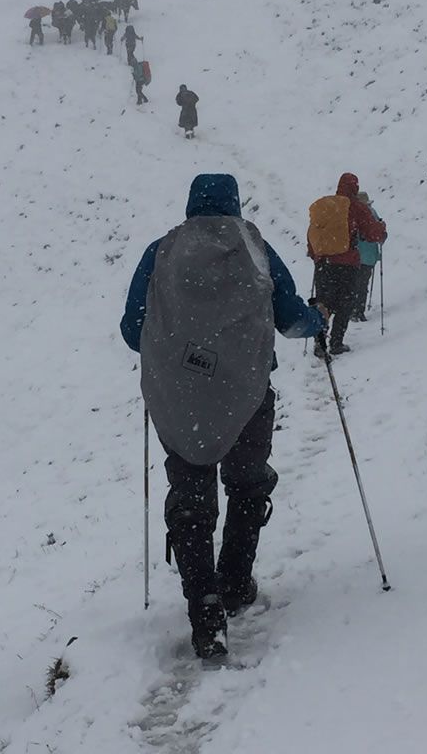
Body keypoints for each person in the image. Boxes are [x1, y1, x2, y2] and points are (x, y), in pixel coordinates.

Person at [120, 174, 327, 660]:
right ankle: (234, 580)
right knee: (247, 483)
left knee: (190, 496)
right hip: (247, 393)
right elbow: (290, 316)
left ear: (191, 205)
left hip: (179, 397)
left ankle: (205, 609)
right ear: (234, 204)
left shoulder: (161, 252)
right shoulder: (254, 247)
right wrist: (316, 319)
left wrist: (181, 348)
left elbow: (133, 330)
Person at [307, 173, 387, 356]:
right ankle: (336, 342)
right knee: (345, 302)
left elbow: (313, 233)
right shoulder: (356, 206)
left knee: (324, 302)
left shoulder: (326, 207)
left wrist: (315, 256)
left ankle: (320, 339)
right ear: (355, 187)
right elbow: (372, 233)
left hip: (323, 264)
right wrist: (382, 228)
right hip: (347, 263)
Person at [351, 191, 385, 322]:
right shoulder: (372, 213)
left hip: (355, 255)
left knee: (353, 283)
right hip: (369, 256)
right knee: (363, 283)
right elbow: (379, 233)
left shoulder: (352, 214)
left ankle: (352, 310)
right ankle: (359, 310)